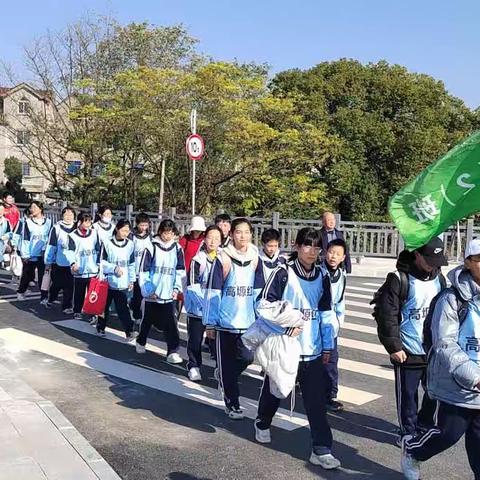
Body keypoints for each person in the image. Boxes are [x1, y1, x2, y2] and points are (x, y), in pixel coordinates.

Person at [254, 227, 340, 470]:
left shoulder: (322, 276)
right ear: (297, 246)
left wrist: (327, 345)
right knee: (276, 391)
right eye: (307, 245)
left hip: (312, 350)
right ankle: (262, 422)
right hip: (285, 346)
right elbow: (264, 305)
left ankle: (321, 449)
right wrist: (288, 323)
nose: (312, 251)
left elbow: (326, 313)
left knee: (316, 402)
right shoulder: (283, 273)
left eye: (316, 247)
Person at [402, 238, 480, 480]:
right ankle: (412, 451)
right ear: (468, 262)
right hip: (457, 385)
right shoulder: (451, 298)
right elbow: (445, 343)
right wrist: (475, 377)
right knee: (447, 434)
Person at [375, 237, 448, 446]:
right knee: (407, 394)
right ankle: (407, 430)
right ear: (417, 256)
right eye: (429, 260)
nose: (433, 266)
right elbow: (387, 315)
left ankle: (424, 424)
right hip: (407, 349)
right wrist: (394, 346)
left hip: (434, 348)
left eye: (437, 262)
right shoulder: (399, 279)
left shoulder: (439, 279)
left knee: (434, 390)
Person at [204, 217, 262, 419]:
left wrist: (261, 317)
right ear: (231, 234)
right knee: (227, 364)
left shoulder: (255, 258)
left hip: (247, 322)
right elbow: (213, 292)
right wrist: (210, 322)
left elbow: (258, 292)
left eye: (247, 232)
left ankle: (225, 377)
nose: (243, 236)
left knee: (247, 358)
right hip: (225, 323)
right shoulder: (223, 258)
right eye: (239, 232)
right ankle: (232, 404)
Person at [136, 219, 186, 364]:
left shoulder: (177, 248)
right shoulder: (151, 247)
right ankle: (141, 341)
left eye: (170, 233)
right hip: (153, 293)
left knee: (171, 323)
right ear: (160, 232)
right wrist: (147, 290)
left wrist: (177, 288)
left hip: (169, 295)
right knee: (147, 320)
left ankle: (173, 350)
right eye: (165, 233)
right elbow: (144, 271)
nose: (168, 236)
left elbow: (180, 270)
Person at [184, 225, 223, 381]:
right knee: (195, 339)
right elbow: (192, 286)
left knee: (216, 341)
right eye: (210, 237)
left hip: (216, 309)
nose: (213, 241)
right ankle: (193, 366)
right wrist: (204, 305)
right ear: (204, 238)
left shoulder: (223, 258)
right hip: (198, 308)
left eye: (216, 238)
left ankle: (219, 368)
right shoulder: (197, 259)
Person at [97, 219, 136, 339]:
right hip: (107, 280)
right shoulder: (107, 243)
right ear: (117, 229)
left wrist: (131, 279)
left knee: (123, 307)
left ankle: (129, 331)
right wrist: (113, 268)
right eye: (123, 230)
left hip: (123, 282)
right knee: (103, 306)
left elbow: (131, 263)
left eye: (127, 231)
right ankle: (101, 327)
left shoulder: (130, 244)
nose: (125, 233)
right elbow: (101, 262)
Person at [320, 238, 347, 412]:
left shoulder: (342, 276)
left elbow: (340, 302)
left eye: (338, 254)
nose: (333, 256)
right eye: (331, 252)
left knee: (331, 361)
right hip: (315, 323)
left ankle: (330, 395)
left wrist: (338, 322)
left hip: (331, 326)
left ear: (343, 257)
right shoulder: (317, 273)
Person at [66, 212, 101, 320]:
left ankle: (92, 313)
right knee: (79, 292)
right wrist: (73, 263)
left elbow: (98, 249)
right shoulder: (72, 236)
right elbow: (70, 252)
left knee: (92, 293)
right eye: (86, 222)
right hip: (80, 269)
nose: (88, 224)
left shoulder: (94, 233)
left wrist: (99, 264)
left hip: (93, 268)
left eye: (90, 222)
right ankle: (77, 310)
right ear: (80, 222)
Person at [15, 201, 52, 302]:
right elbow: (25, 239)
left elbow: (50, 238)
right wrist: (25, 254)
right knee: (27, 275)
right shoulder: (27, 222)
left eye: (35, 207)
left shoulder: (48, 222)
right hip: (31, 254)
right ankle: (21, 291)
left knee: (44, 277)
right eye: (31, 207)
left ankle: (44, 296)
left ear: (41, 209)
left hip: (43, 254)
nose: (33, 209)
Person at [44, 206, 76, 313]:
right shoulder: (56, 228)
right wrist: (48, 261)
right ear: (62, 216)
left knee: (70, 285)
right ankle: (51, 298)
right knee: (57, 284)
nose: (68, 217)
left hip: (72, 263)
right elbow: (51, 245)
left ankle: (66, 306)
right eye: (66, 214)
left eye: (71, 214)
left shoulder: (77, 228)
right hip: (59, 262)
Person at [130, 213, 152, 324]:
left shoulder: (150, 236)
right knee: (137, 294)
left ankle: (145, 314)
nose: (143, 228)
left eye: (145, 225)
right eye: (141, 225)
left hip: (146, 270)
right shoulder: (132, 236)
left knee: (146, 293)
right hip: (135, 269)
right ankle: (136, 315)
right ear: (137, 224)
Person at [0, 202, 12, 268]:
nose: (0, 212)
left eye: (2, 210)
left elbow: (10, 233)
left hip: (2, 247)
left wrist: (5, 237)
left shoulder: (6, 221)